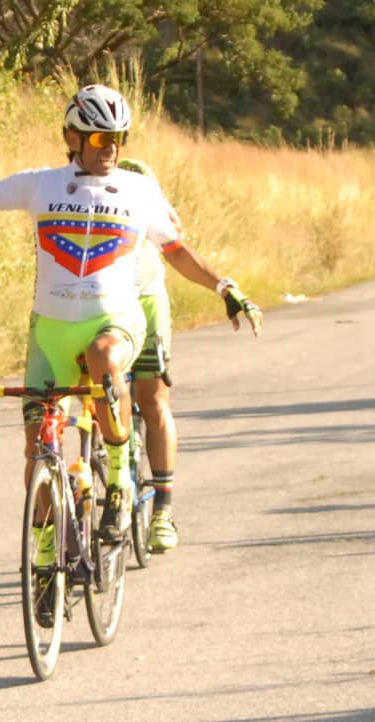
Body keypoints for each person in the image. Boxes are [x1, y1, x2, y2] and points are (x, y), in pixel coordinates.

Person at [0, 84, 262, 553]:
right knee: (38, 447)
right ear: (72, 138)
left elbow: (177, 252)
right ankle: (43, 554)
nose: (111, 148)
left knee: (104, 358)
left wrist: (224, 288)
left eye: (118, 138)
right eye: (100, 139)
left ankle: (119, 483)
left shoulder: (138, 190)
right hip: (51, 334)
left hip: (116, 321)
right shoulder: (40, 184)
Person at [117, 158, 261, 553]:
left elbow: (177, 244)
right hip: (98, 309)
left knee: (152, 399)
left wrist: (225, 289)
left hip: (146, 303)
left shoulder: (147, 197)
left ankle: (162, 511)